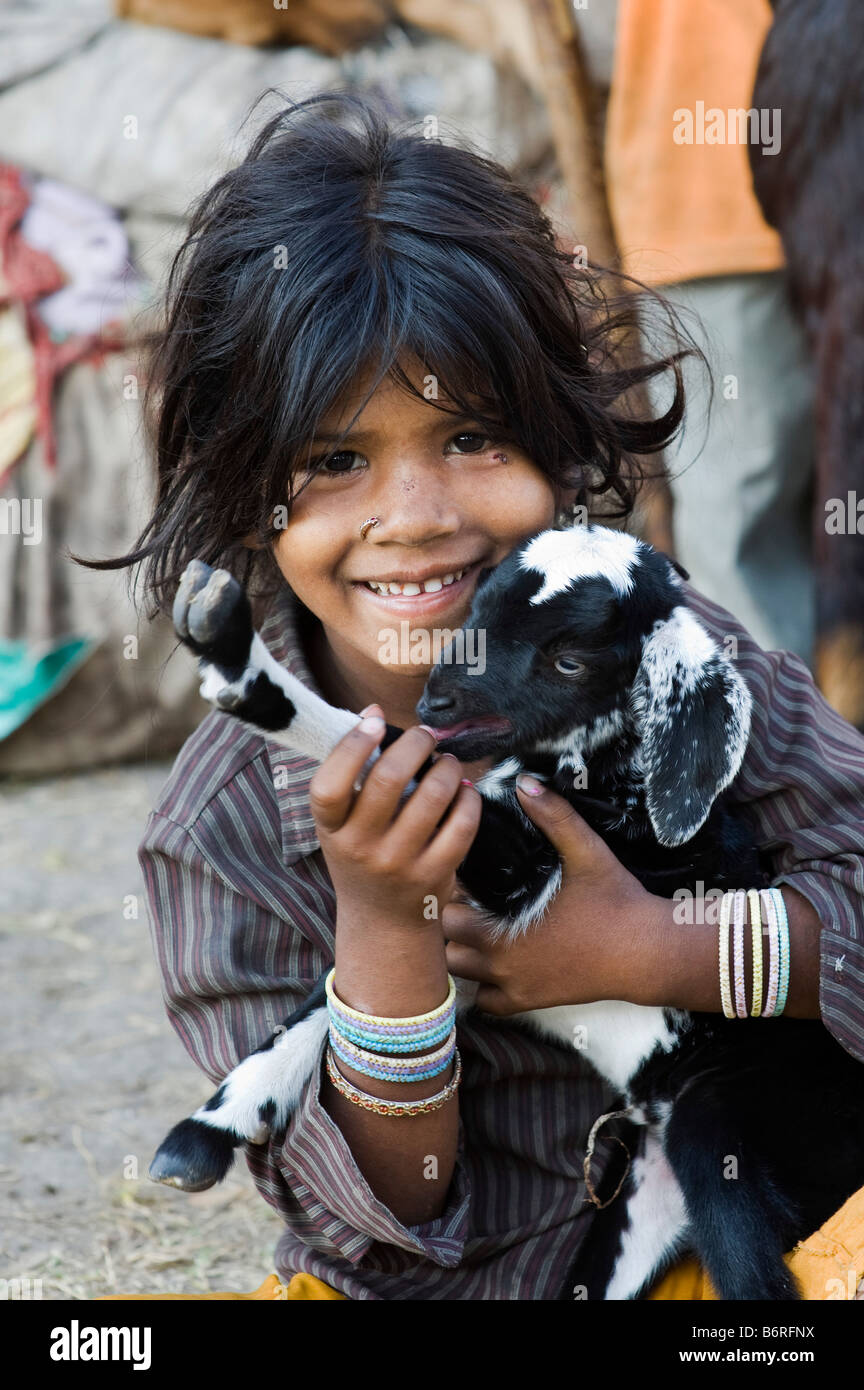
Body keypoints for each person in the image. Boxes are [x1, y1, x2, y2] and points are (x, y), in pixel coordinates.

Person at [83, 92, 864, 1301]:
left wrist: (656, 950)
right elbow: (389, 1217)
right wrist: (388, 923)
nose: (418, 517)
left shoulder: (659, 644)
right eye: (337, 460)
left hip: (759, 1238)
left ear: (562, 442)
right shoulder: (224, 828)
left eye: (475, 437)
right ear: (248, 495)